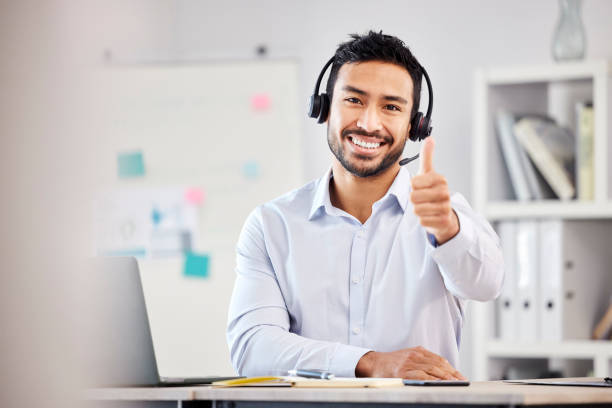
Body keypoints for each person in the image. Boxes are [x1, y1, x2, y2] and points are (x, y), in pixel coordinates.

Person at [227, 31, 503, 380]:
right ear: (324, 109)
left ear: (415, 125)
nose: (370, 123)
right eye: (354, 100)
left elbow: (488, 284)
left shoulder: (445, 214)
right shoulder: (272, 225)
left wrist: (448, 230)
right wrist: (370, 362)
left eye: (391, 107)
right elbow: (252, 348)